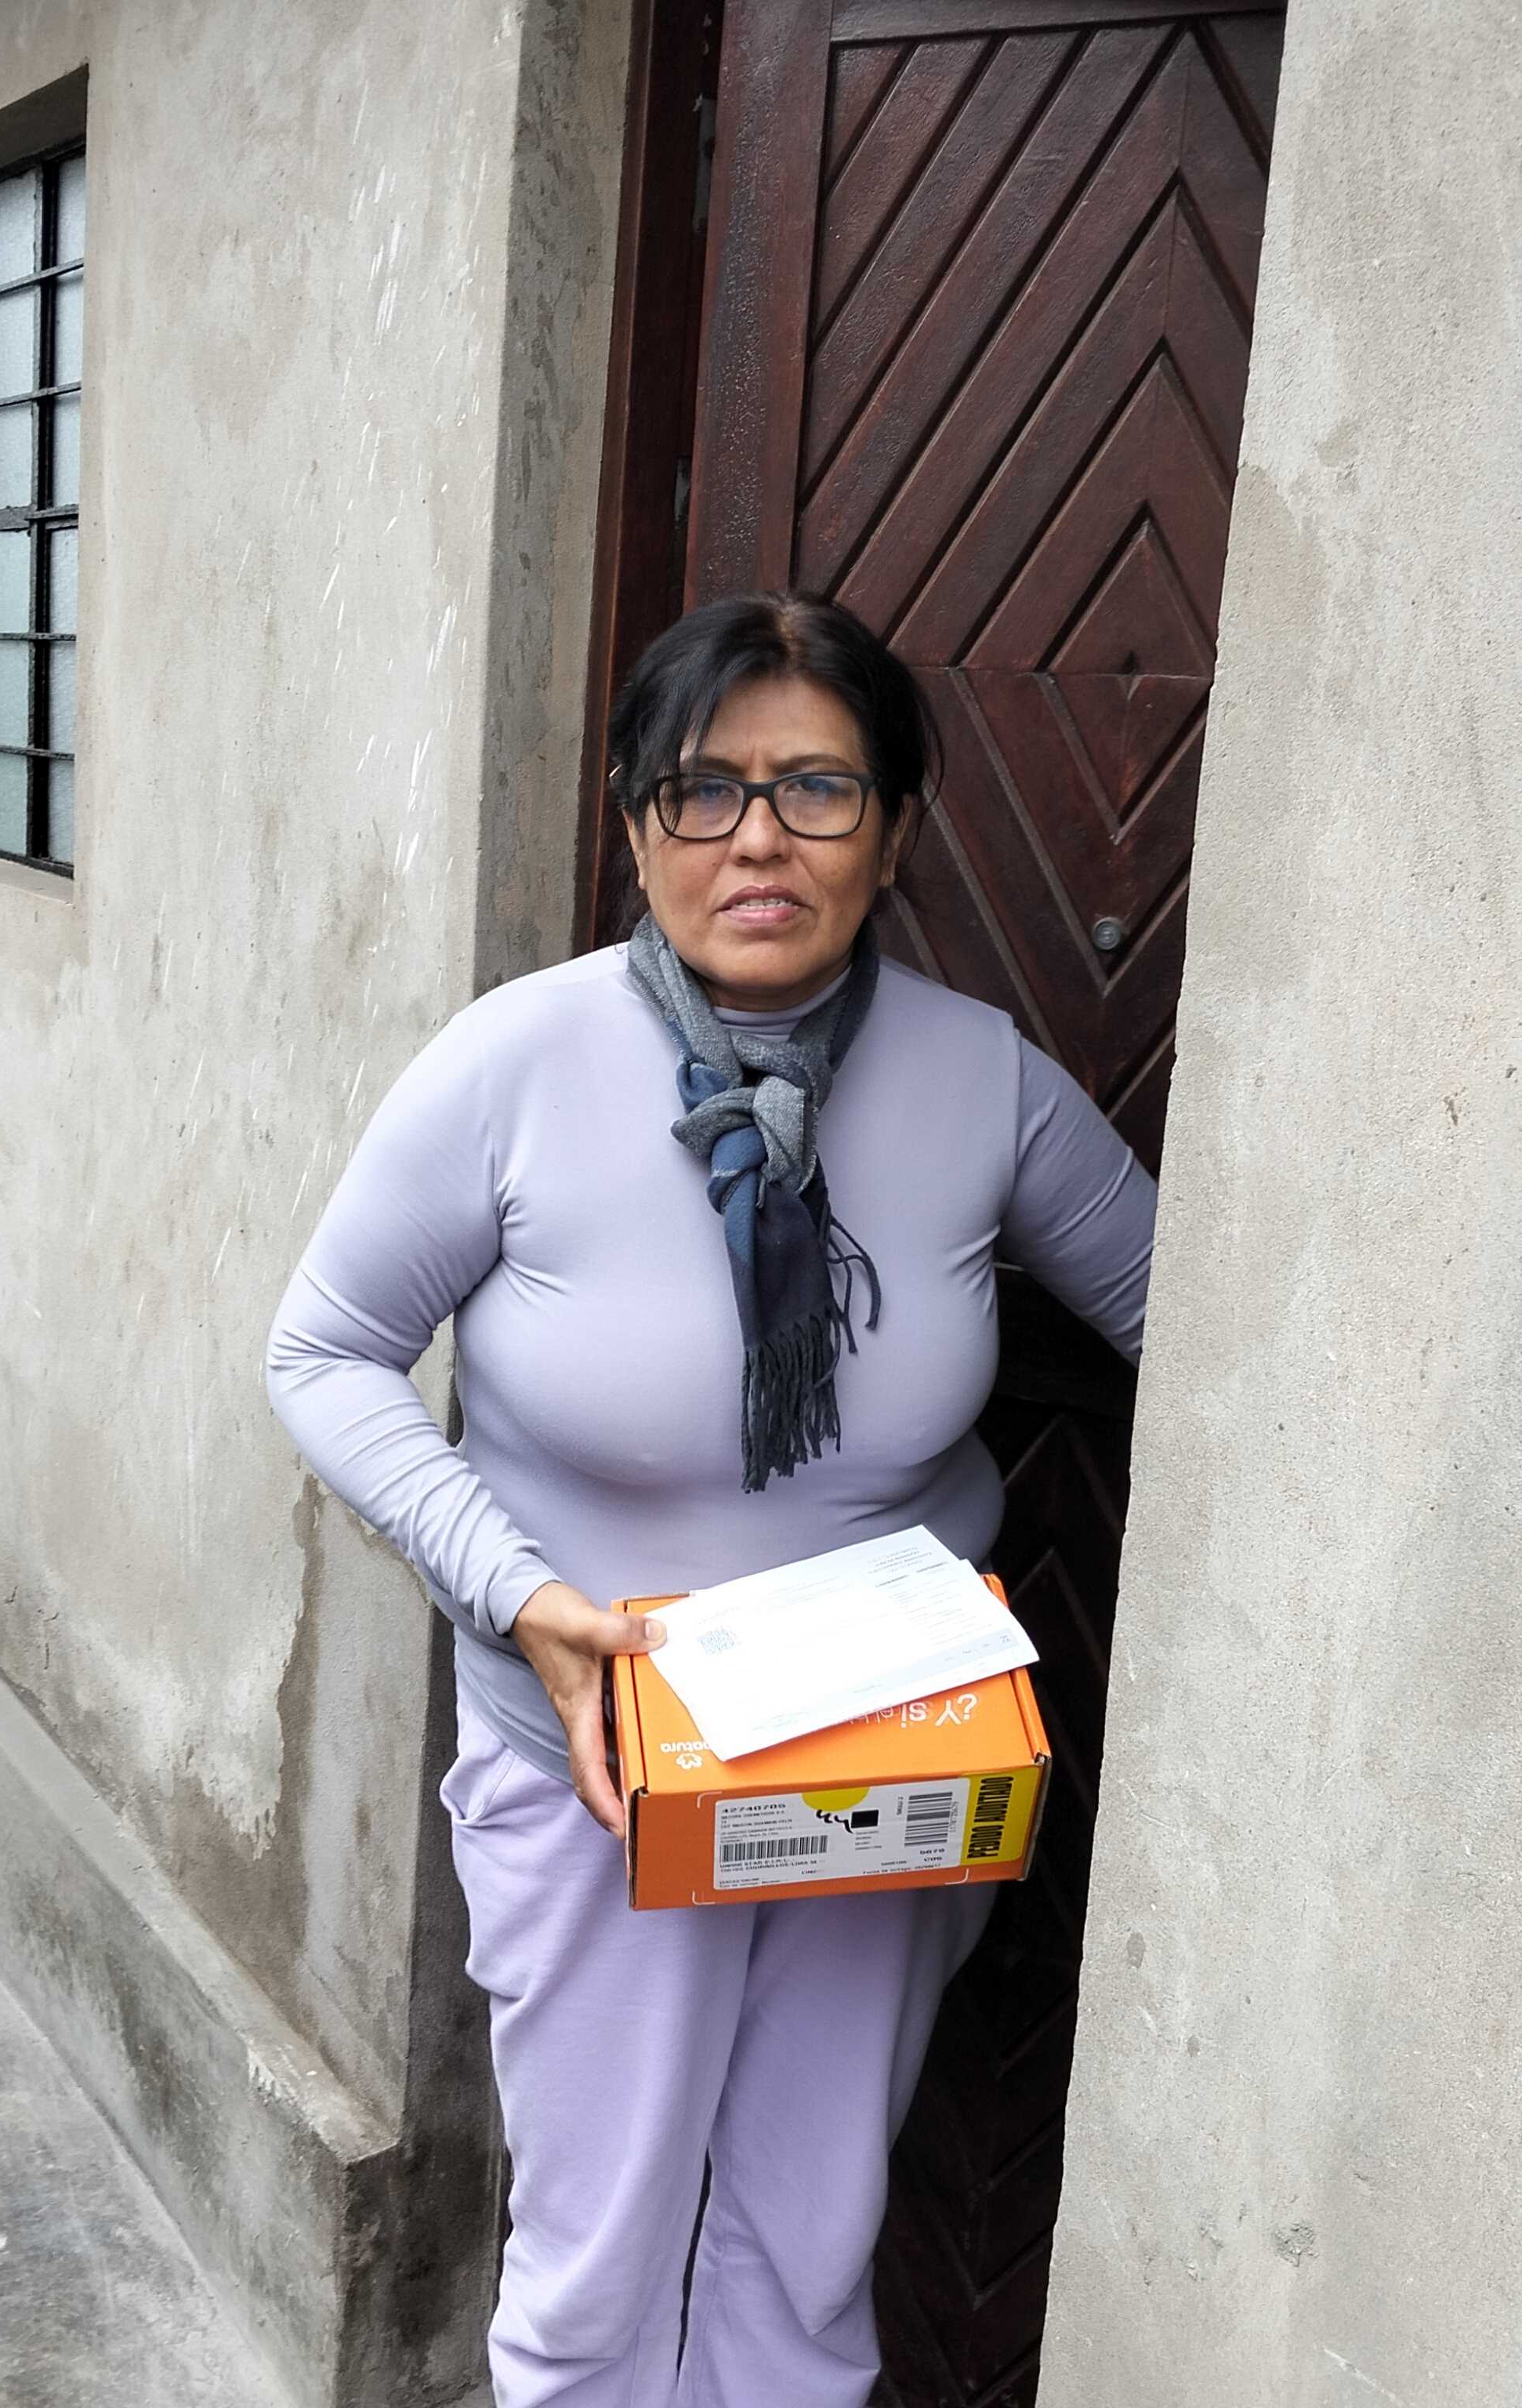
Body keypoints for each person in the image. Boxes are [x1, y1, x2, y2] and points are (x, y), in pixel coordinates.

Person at [263, 591, 1155, 2408]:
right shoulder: (514, 1065)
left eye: (818, 788)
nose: (759, 837)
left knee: (809, 2258)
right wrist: (515, 1593)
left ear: (895, 830)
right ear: (636, 823)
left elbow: (1208, 1342)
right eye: (705, 789)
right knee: (593, 2280)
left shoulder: (983, 1083)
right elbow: (325, 1354)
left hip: (884, 1775)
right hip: (600, 1769)